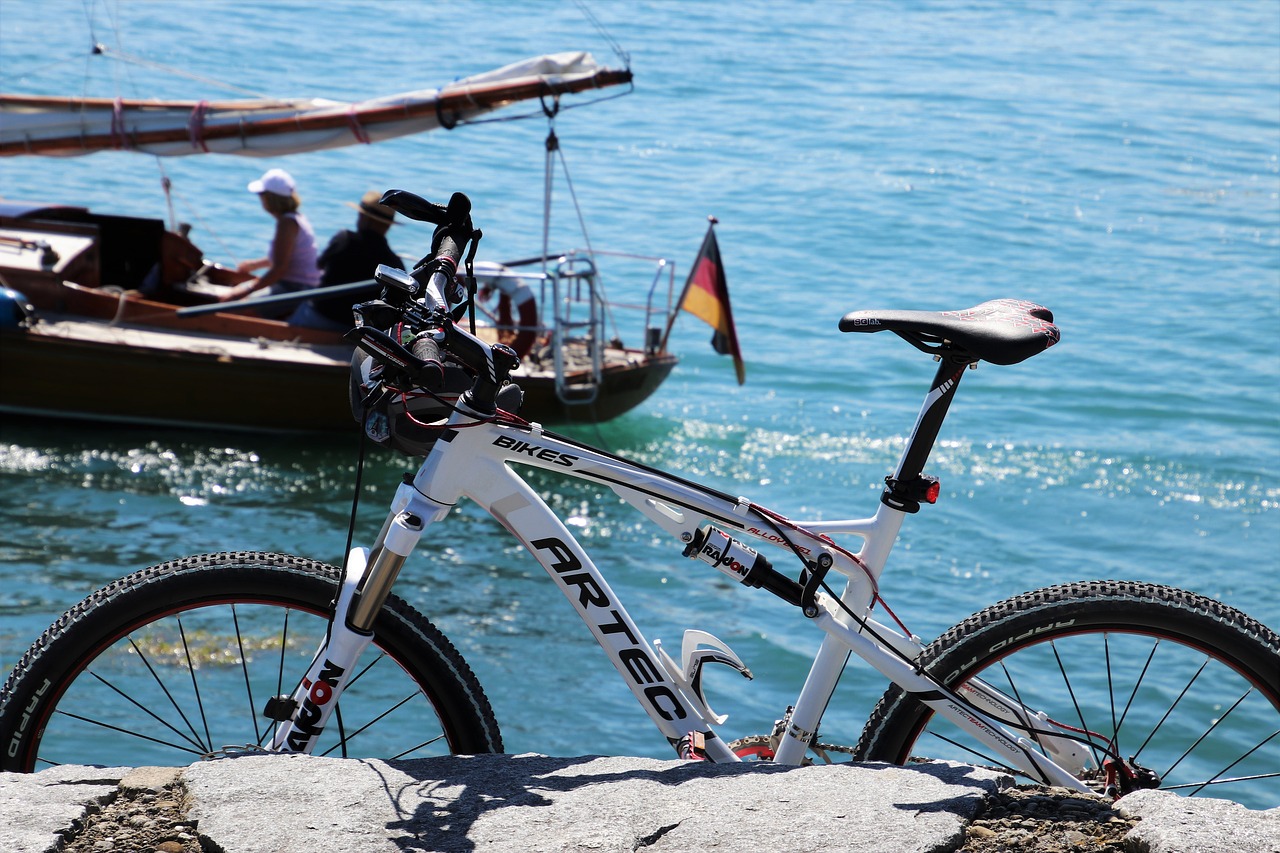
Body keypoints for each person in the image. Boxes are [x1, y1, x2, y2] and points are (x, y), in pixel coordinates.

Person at [292, 191, 405, 331]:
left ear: (364, 218)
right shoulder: (394, 264)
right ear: (387, 225)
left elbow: (319, 264)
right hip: (355, 327)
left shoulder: (344, 239)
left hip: (321, 315)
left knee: (297, 295)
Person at [218, 168, 321, 319]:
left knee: (231, 306)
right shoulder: (295, 218)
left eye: (261, 195)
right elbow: (285, 256)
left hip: (296, 288)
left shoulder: (287, 223)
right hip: (299, 285)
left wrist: (246, 291)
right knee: (235, 294)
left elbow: (279, 269)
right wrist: (254, 265)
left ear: (269, 198)